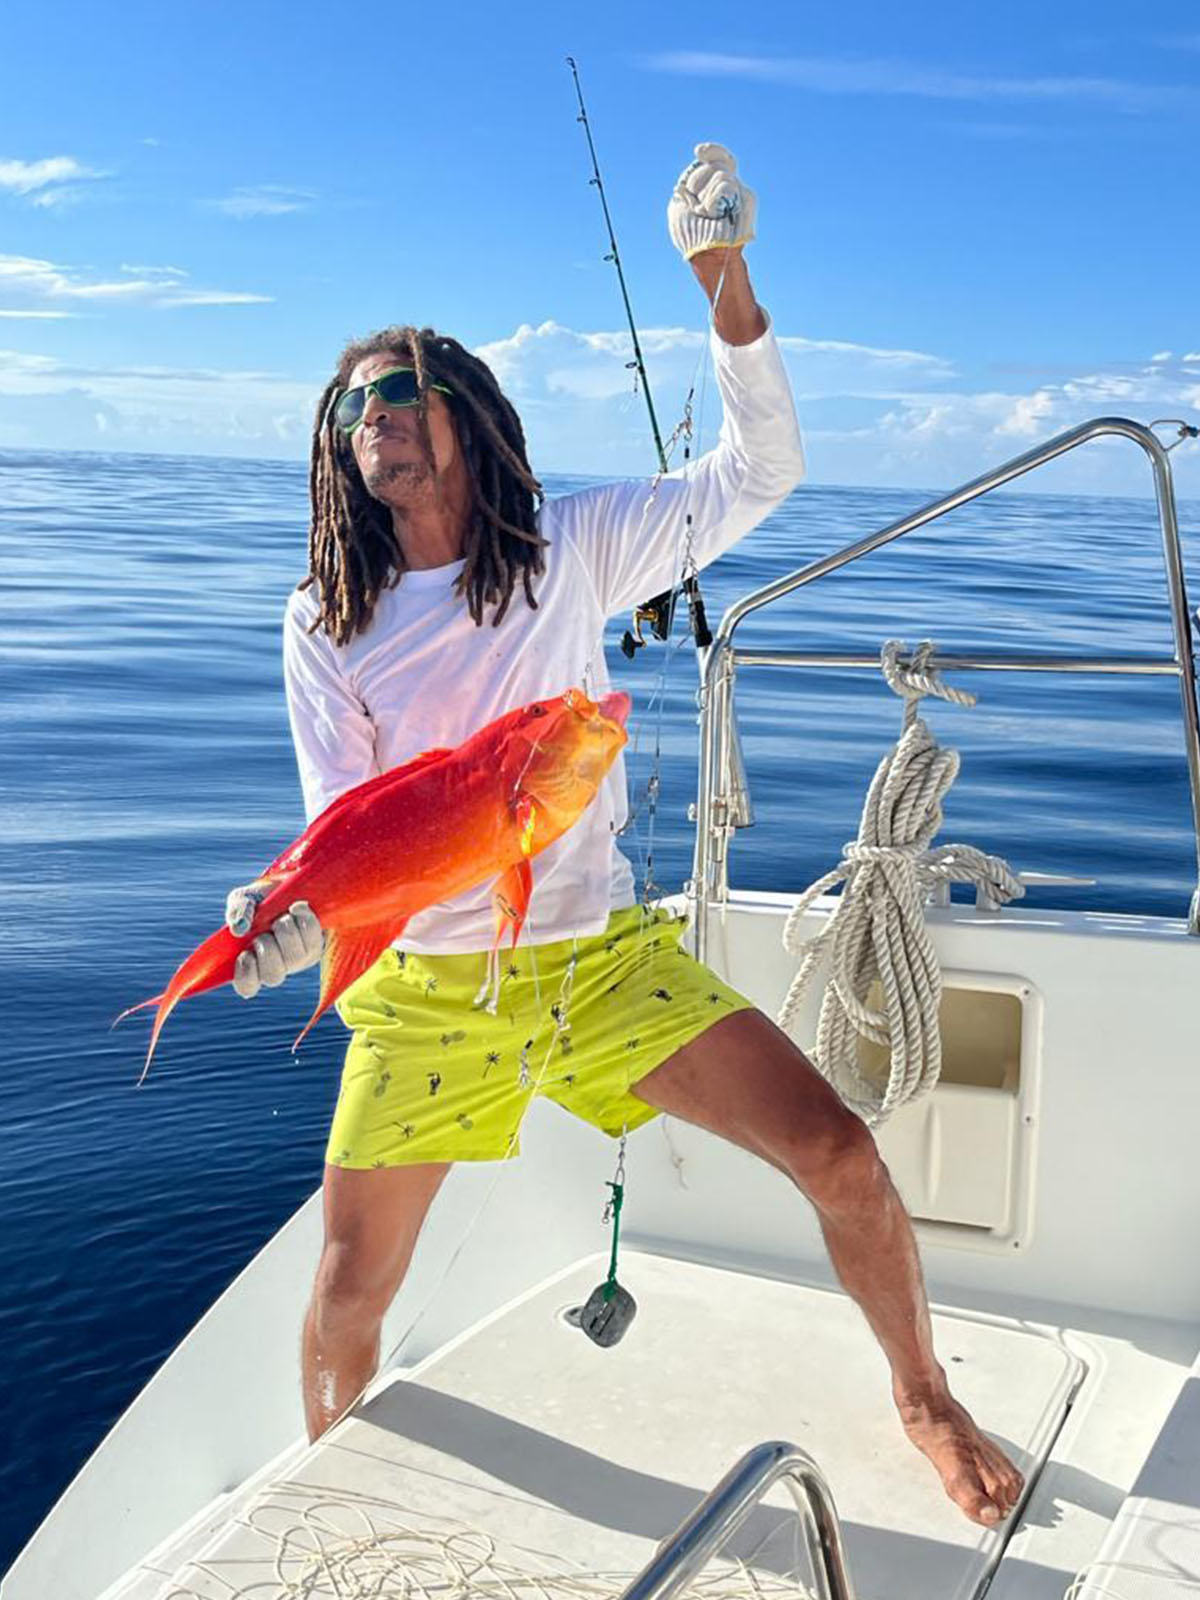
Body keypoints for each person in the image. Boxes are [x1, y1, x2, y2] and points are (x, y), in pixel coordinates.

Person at [225, 145, 1024, 1527]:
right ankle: (329, 1493)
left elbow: (761, 470)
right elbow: (342, 832)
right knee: (349, 1290)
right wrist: (295, 918)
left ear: (467, 417)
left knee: (839, 1152)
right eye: (350, 406)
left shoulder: (573, 549)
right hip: (427, 990)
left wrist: (724, 278)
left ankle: (923, 1395)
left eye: (399, 393)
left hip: (596, 961)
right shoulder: (323, 620)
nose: (371, 419)